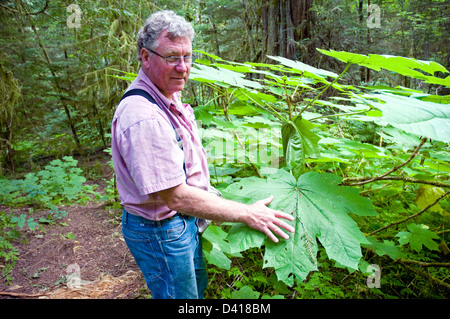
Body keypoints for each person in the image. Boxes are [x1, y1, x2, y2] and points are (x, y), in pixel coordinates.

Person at [111, 10, 295, 299]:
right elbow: (176, 196)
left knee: (194, 293)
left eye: (187, 57)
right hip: (162, 232)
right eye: (172, 57)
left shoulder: (167, 95)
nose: (183, 67)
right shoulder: (144, 116)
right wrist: (246, 213)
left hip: (183, 223)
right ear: (146, 58)